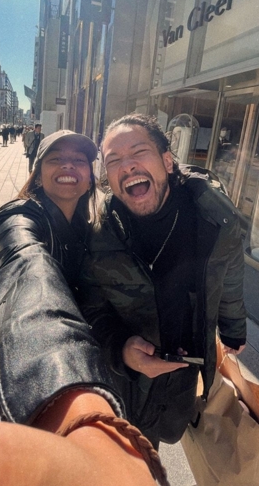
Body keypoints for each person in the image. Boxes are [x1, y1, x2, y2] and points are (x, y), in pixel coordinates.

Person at [0, 130, 165, 485]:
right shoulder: (18, 220)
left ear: (89, 178)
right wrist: (81, 404)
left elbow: (92, 301)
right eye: (56, 158)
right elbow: (31, 277)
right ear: (38, 172)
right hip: (0, 374)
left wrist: (121, 346)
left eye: (79, 160)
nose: (68, 165)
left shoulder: (87, 231)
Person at [78, 113, 247, 447]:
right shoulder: (98, 232)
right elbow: (87, 306)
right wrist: (121, 349)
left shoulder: (213, 219)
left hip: (183, 371)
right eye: (113, 160)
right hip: (120, 383)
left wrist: (233, 326)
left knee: (160, 438)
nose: (126, 166)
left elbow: (228, 275)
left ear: (167, 161)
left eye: (138, 152)